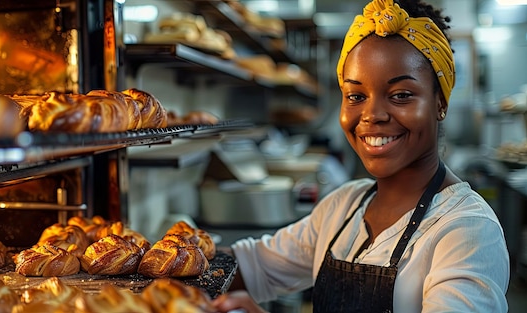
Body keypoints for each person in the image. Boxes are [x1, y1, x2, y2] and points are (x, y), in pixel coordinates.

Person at [212, 0, 510, 312]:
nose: (372, 115)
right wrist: (170, 254)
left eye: (401, 95)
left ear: (440, 103)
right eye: (356, 96)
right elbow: (250, 266)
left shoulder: (467, 230)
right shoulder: (343, 207)